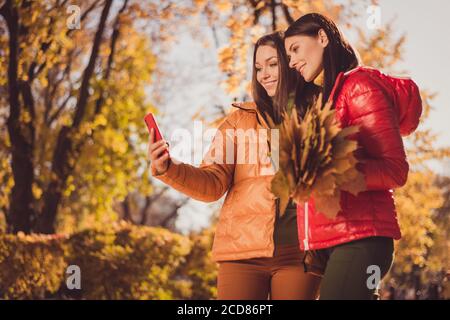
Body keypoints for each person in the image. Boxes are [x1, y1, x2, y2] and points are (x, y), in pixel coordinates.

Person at [148, 32, 321, 300]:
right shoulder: (239, 121)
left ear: (292, 63)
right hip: (242, 253)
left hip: (300, 253)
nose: (264, 74)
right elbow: (213, 183)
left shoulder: (321, 112)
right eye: (258, 68)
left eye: (273, 64)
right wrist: (169, 168)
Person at [284, 13, 422, 299]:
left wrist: (334, 170)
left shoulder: (359, 86)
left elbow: (396, 170)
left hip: (362, 239)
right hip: (336, 241)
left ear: (322, 37)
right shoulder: (330, 97)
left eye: (295, 49)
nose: (291, 62)